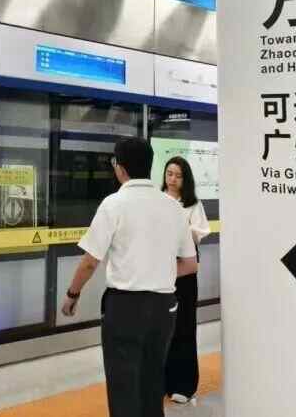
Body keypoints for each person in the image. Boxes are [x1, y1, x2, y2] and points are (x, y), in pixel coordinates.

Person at [61, 137, 198, 417]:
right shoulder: (173, 207)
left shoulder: (114, 204)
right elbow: (190, 263)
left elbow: (90, 262)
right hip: (164, 308)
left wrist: (72, 294)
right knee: (153, 381)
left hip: (124, 307)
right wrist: (158, 271)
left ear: (120, 167)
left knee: (123, 385)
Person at [161, 156, 211, 406]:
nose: (172, 179)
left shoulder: (192, 204)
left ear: (186, 179)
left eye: (178, 175)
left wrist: (183, 228)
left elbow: (201, 232)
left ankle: (184, 384)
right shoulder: (157, 199)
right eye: (169, 173)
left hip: (185, 268)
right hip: (161, 267)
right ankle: (163, 381)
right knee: (161, 327)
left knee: (184, 325)